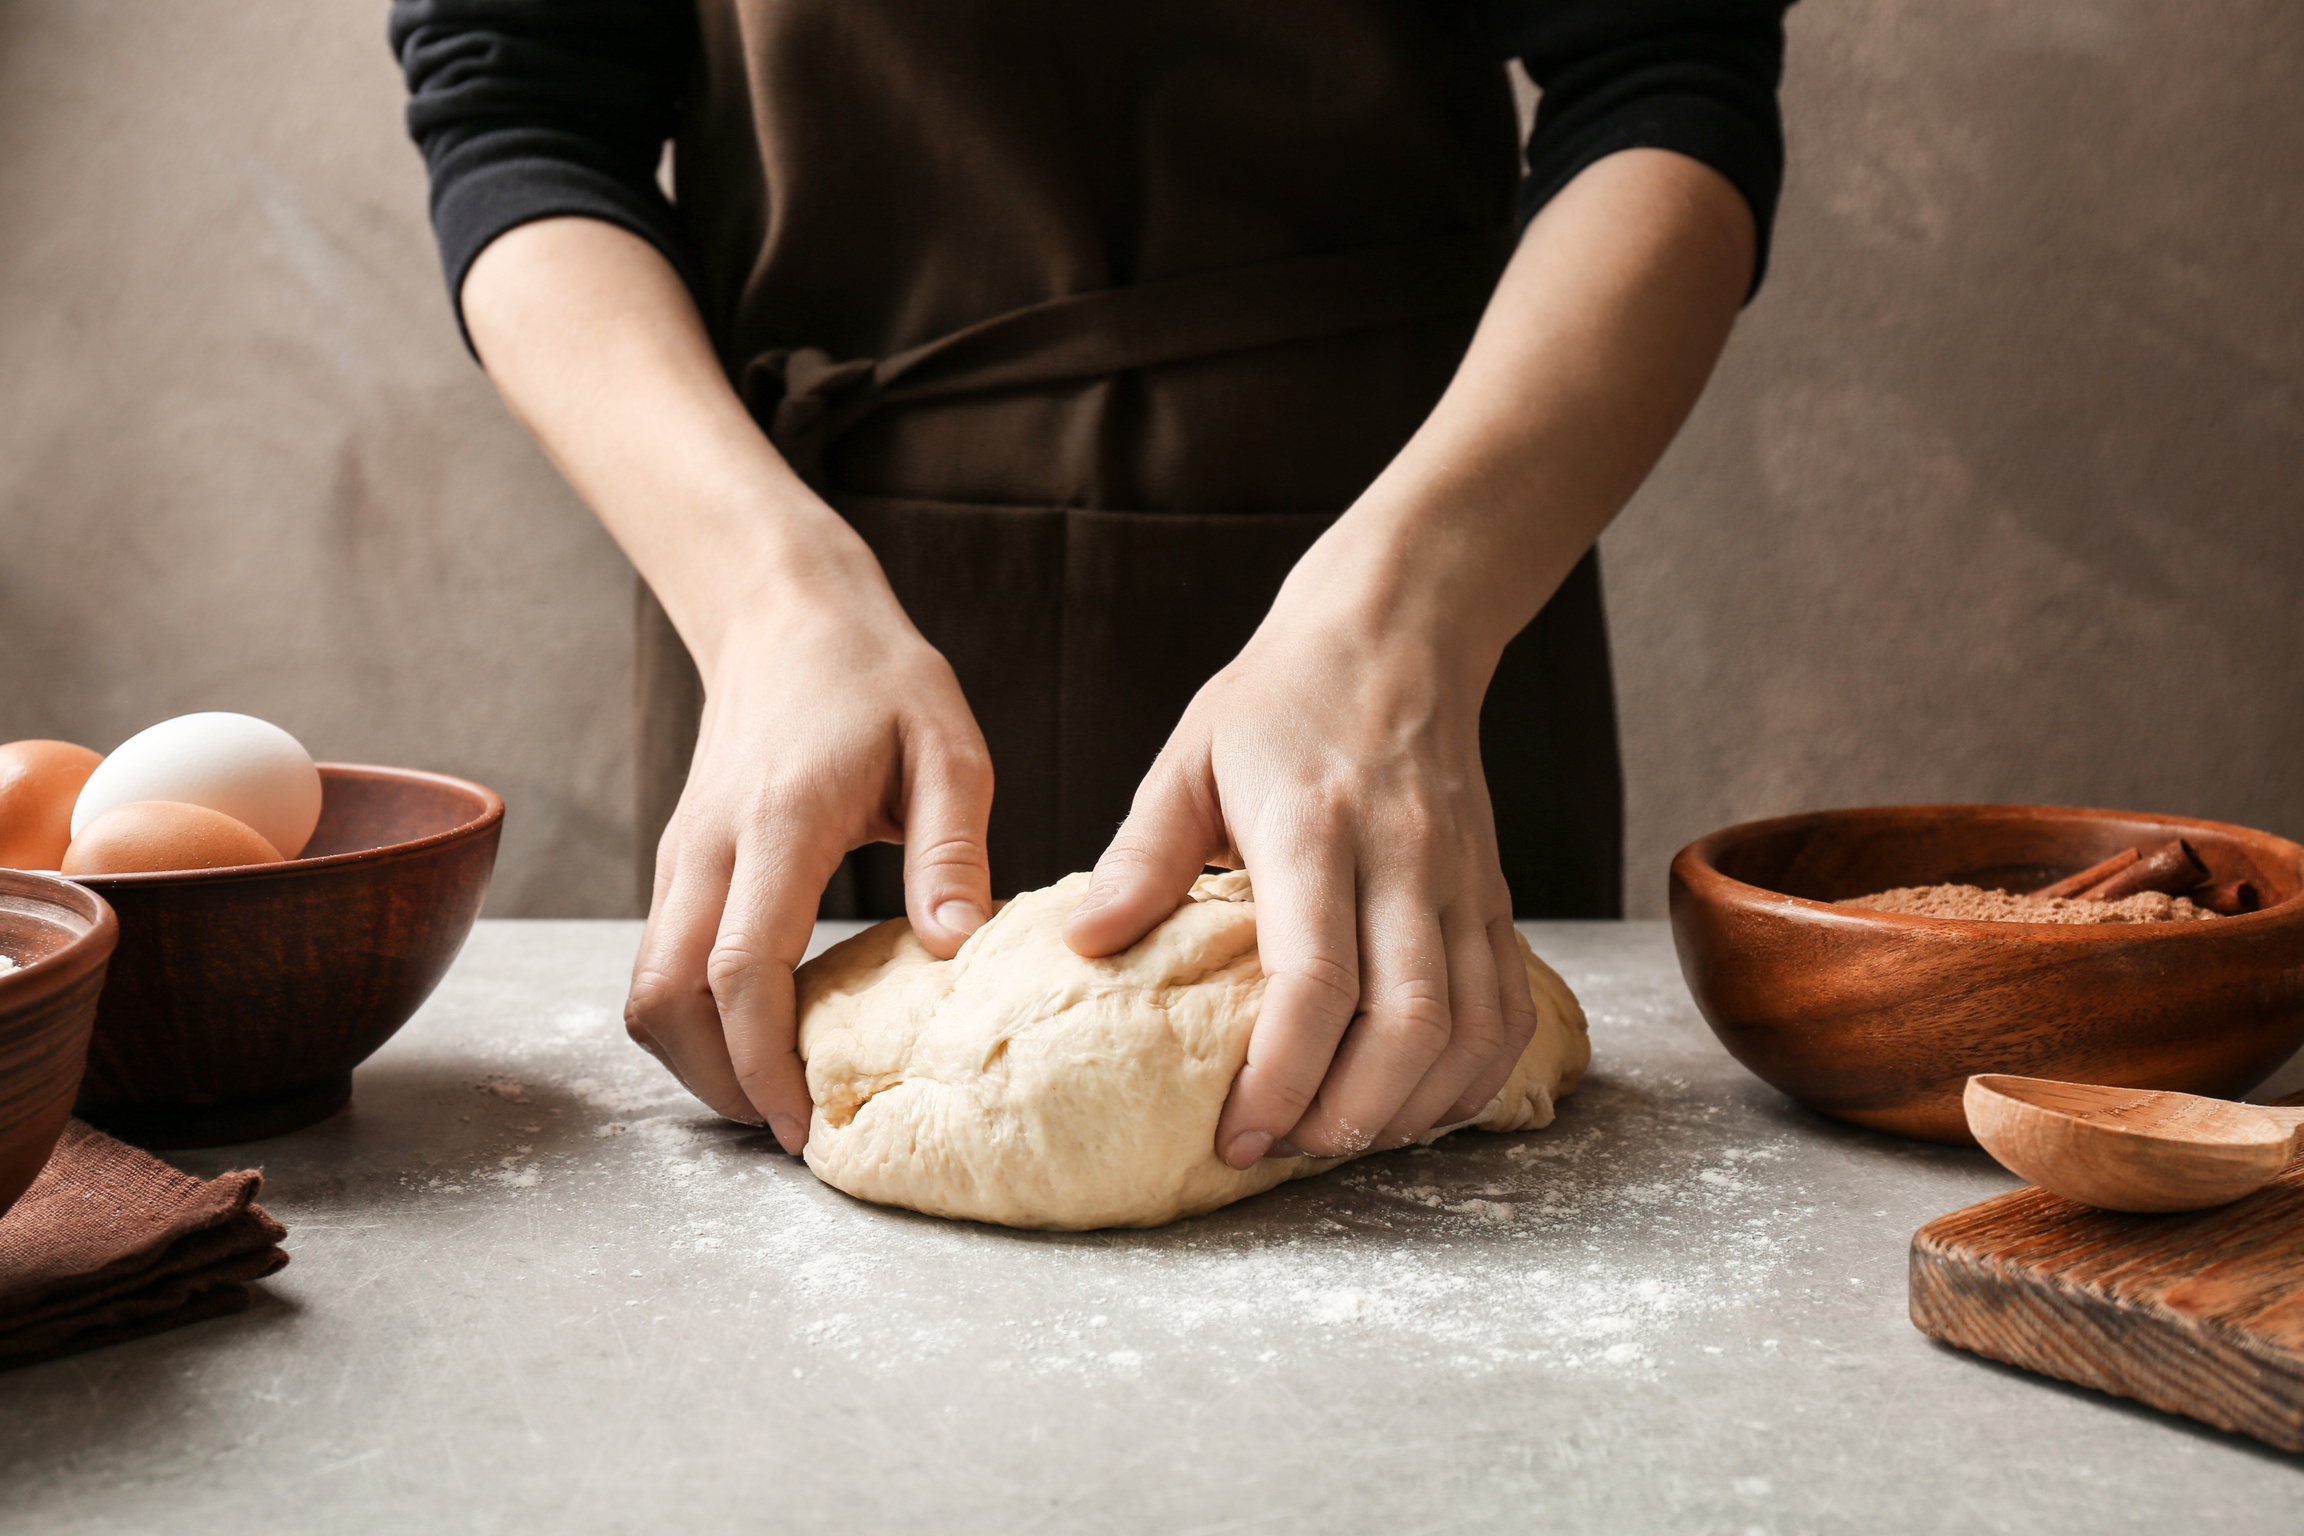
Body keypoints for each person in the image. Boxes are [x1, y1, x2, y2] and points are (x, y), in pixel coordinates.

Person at [391, 0, 1789, 1169]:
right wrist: (766, 595)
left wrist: (1414, 606)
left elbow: (1662, 72)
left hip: (1415, 579)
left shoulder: (1414, 607)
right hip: (805, 599)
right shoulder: (775, 598)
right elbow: (520, 108)